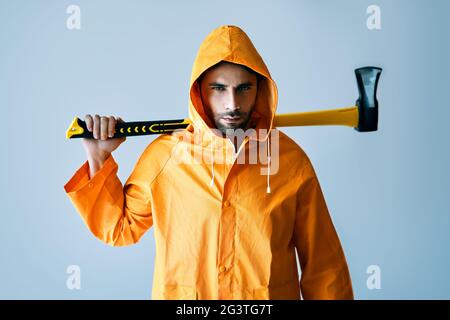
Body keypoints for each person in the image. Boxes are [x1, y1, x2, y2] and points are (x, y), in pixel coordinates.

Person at [64, 25, 354, 300]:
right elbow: (119, 229)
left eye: (244, 88)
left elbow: (324, 268)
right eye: (218, 88)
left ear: (261, 89)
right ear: (199, 91)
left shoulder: (290, 162)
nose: (232, 104)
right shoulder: (166, 157)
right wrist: (98, 156)